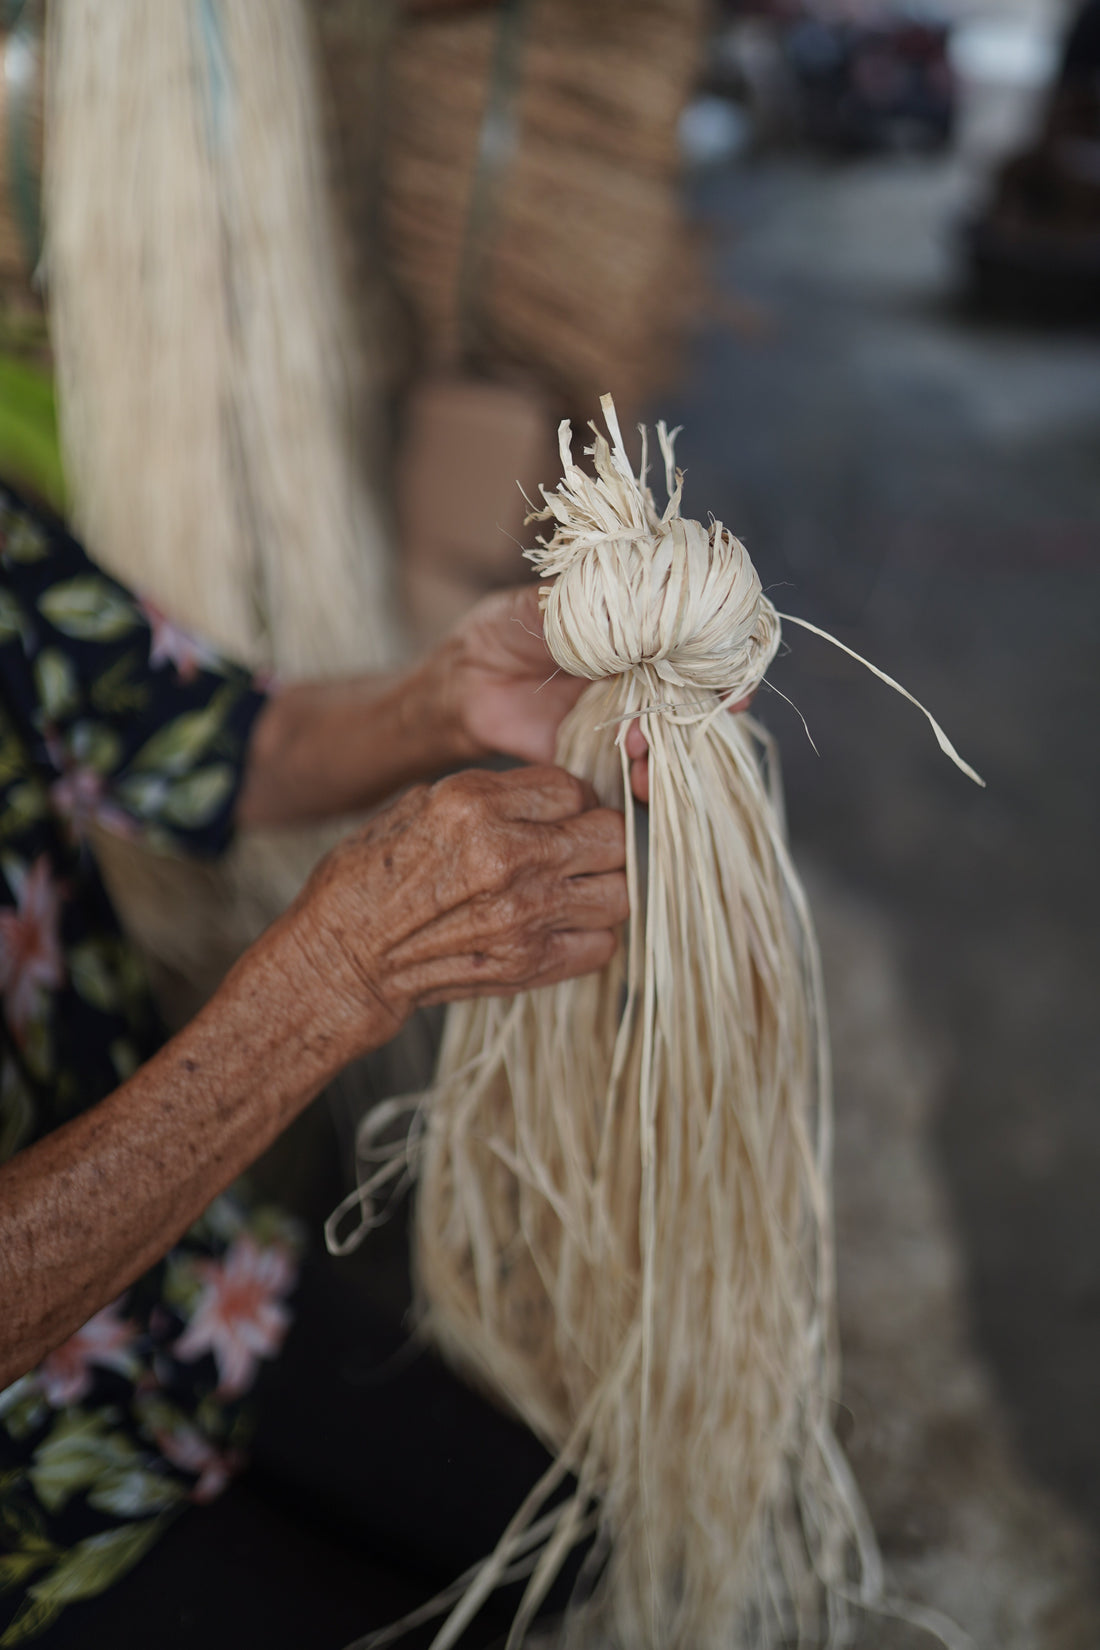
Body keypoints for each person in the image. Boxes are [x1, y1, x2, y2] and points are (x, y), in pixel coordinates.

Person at [0, 479, 653, 1644]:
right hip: (30, 1524)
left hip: (188, 1284)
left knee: (564, 1555)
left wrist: (448, 699)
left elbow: (217, 739)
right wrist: (329, 980)